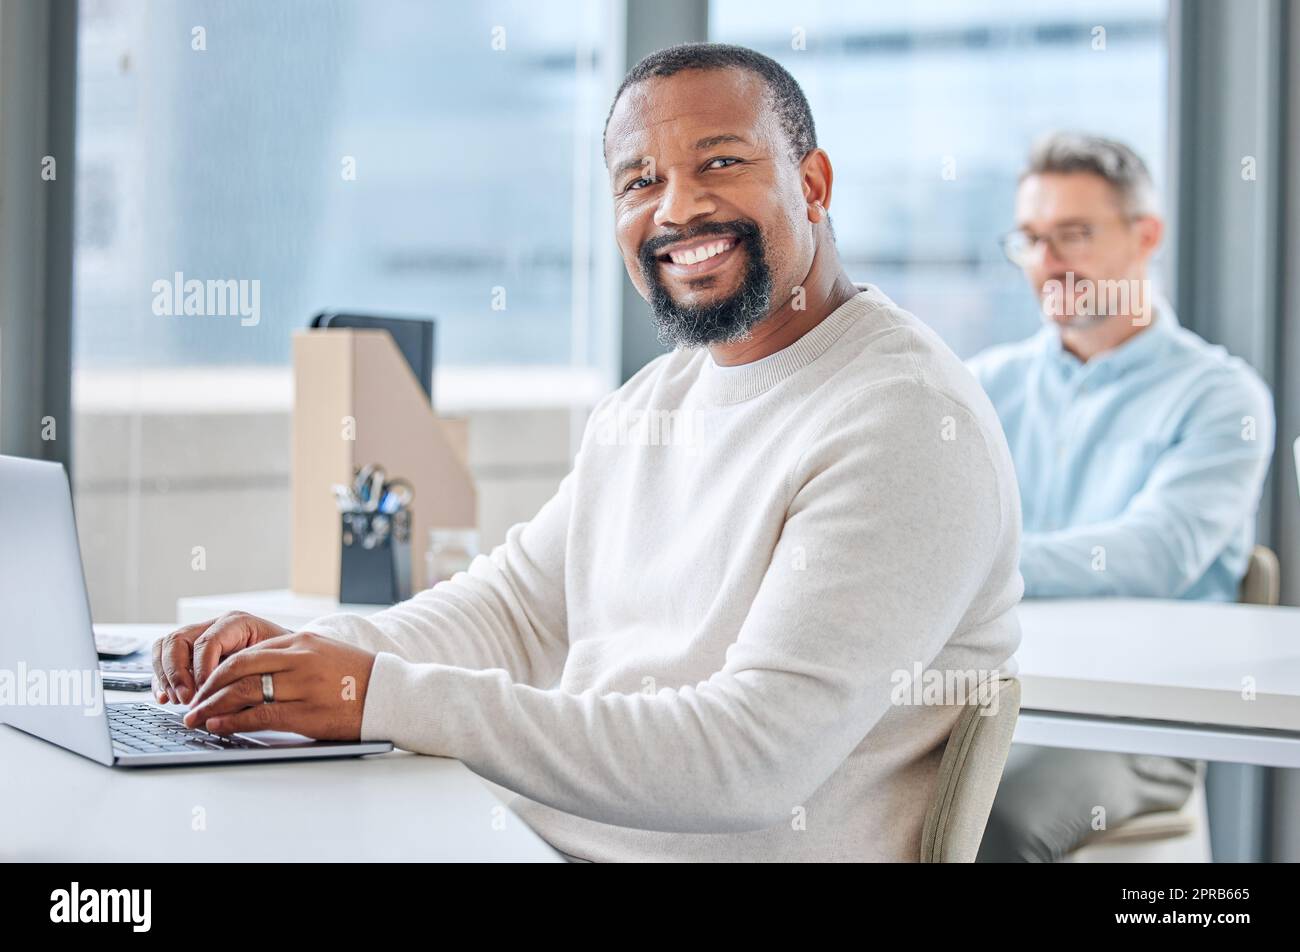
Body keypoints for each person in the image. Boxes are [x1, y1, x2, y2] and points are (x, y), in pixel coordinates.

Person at [153, 43, 1023, 863]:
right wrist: (310, 654)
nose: (677, 208)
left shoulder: (904, 421)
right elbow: (515, 615)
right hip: (543, 842)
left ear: (813, 183)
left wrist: (376, 694)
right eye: (640, 180)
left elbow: (749, 759)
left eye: (720, 162)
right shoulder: (651, 404)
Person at [969, 132, 1275, 862]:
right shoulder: (982, 386)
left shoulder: (1219, 396)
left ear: (1148, 236)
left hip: (1133, 721)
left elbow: (1156, 554)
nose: (1048, 263)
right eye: (1032, 239)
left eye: (1074, 234)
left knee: (978, 816)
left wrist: (975, 564)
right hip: (992, 693)